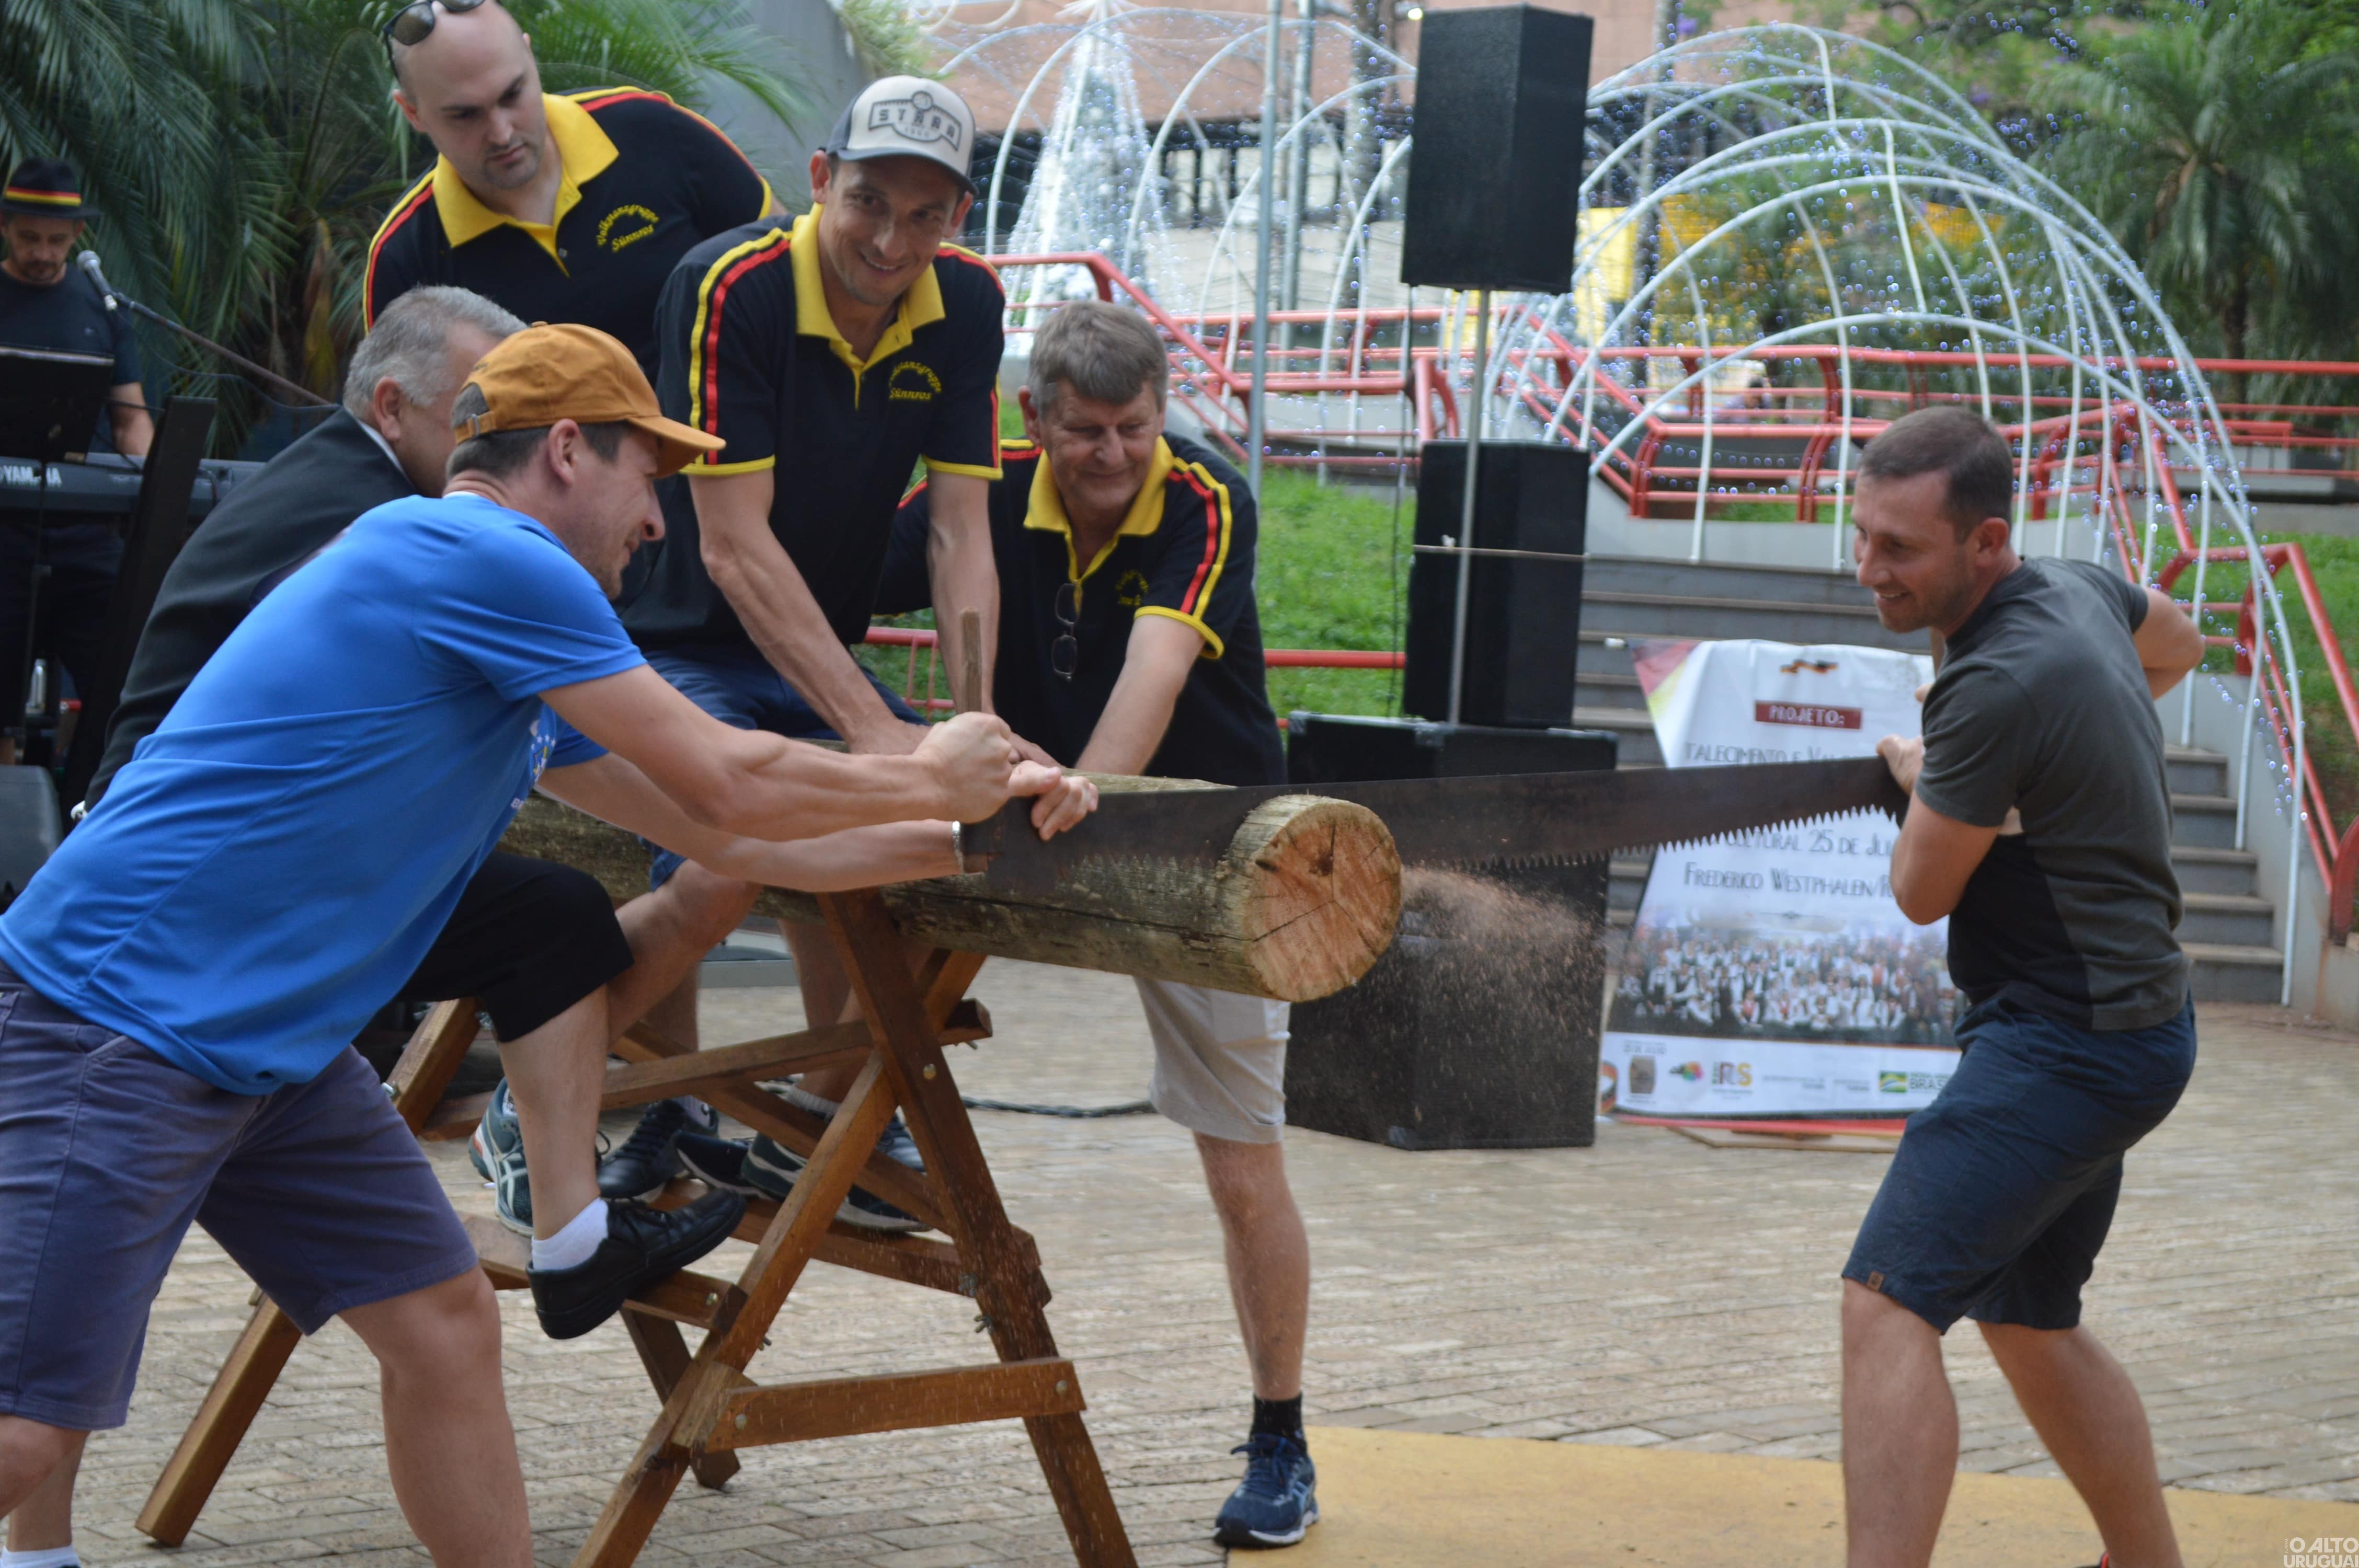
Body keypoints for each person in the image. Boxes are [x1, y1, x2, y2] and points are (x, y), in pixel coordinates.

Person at [0, 320, 1072, 1568]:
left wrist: (961, 829)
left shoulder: (497, 625)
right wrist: (920, 762)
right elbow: (730, 782)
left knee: (448, 1326)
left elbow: (734, 835)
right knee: (25, 1435)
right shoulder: (483, 554)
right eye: (647, 476)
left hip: (269, 1055)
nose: (659, 520)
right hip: (117, 1022)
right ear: (566, 449)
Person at [703, 299, 1321, 1550]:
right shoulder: (982, 496)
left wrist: (1087, 784)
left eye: (1134, 430)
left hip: (1188, 840)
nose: (1110, 456)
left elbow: (1152, 674)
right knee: (869, 959)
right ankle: (809, 1154)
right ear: (1032, 420)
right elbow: (824, 575)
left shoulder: (1204, 497)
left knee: (1240, 1156)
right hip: (1027, 817)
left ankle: (1279, 1435)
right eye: (1084, 431)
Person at [591, 74, 1018, 1223]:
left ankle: (818, 1130)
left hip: (805, 652)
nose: (891, 241)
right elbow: (731, 547)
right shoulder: (731, 281)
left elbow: (962, 532)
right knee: (727, 863)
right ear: (821, 181)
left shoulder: (971, 303)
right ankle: (566, 1087)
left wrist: (966, 731)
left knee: (940, 848)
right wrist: (882, 732)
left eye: (925, 217)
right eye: (870, 202)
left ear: (959, 220)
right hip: (677, 638)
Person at [1845, 406, 2207, 1568]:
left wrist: (1930, 775)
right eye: (1863, 538)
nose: (1871, 570)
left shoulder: (1995, 683)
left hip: (2071, 1042)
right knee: (2026, 1316)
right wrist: (2050, 767)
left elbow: (1918, 891)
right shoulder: (2079, 590)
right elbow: (2184, 644)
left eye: (1901, 549)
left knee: (1884, 1306)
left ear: (1988, 543)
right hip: (2135, 1028)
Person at [362, 0, 776, 379]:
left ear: (530, 55)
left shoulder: (653, 131)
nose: (502, 133)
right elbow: (407, 429)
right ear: (413, 113)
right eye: (465, 115)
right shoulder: (404, 258)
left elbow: (788, 262)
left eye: (513, 94)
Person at [0, 157, 153, 768]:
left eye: (56, 241)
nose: (42, 253)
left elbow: (129, 417)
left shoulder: (103, 307)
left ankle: (96, 812)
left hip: (85, 537)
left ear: (78, 239)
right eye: (29, 237)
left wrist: (148, 479)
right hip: (3, 535)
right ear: (6, 227)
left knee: (122, 692)